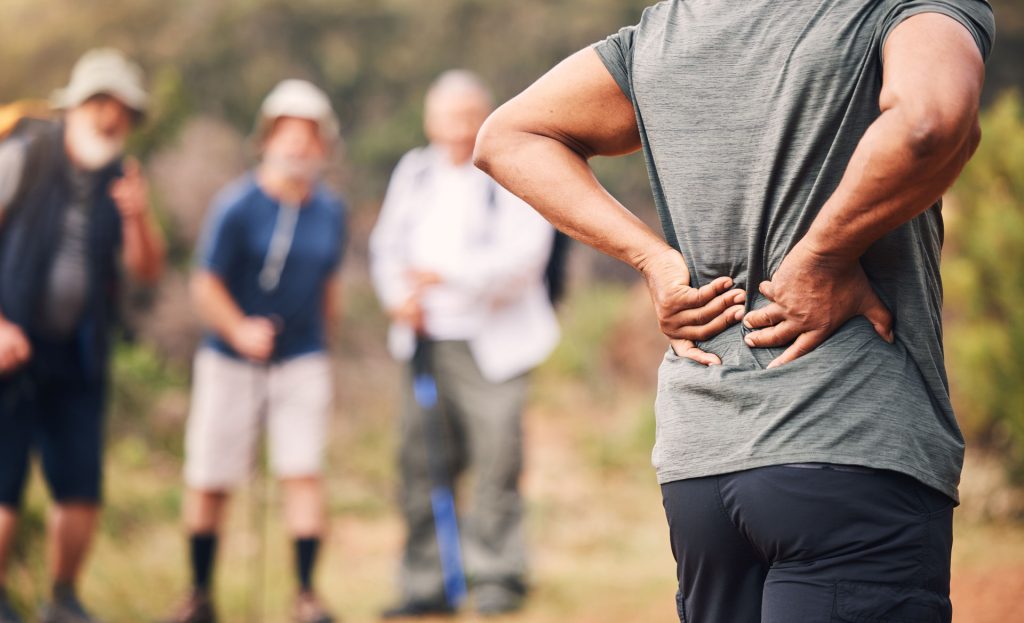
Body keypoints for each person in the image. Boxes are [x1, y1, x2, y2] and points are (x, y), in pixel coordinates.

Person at [473, 1, 995, 621]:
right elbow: (931, 122)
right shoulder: (894, 10)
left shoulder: (670, 28)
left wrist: (650, 259)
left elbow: (507, 136)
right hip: (847, 435)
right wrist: (825, 257)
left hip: (702, 471)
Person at [369, 70, 560, 618]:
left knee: (497, 461)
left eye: (465, 114)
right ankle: (426, 580)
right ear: (429, 119)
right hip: (423, 341)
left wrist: (443, 274)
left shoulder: (508, 169)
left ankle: (499, 575)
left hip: (493, 347)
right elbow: (386, 247)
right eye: (445, 116)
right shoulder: (414, 171)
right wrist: (396, 296)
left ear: (485, 114)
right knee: (421, 462)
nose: (455, 127)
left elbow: (525, 260)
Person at [162, 80, 346, 623]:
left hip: (302, 357)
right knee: (212, 475)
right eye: (287, 135)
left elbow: (329, 285)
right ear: (265, 140)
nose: (298, 147)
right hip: (230, 356)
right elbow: (204, 284)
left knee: (302, 469)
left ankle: (306, 596)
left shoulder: (329, 211)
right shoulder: (237, 205)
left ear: (324, 147)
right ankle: (198, 593)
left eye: (310, 137)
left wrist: (322, 339)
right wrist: (240, 329)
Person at [0, 48, 166, 623]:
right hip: (10, 350)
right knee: (3, 485)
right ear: (74, 105)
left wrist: (138, 217)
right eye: (100, 103)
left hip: (80, 353)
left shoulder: (123, 179)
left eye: (121, 108)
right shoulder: (22, 156)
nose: (110, 118)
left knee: (80, 485)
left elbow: (148, 271)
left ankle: (62, 601)